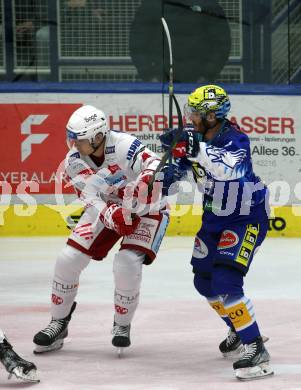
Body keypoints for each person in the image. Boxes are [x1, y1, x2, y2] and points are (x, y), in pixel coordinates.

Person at [33, 105, 170, 355]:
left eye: (79, 139)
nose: (74, 145)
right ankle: (58, 322)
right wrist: (112, 215)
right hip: (108, 208)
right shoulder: (73, 162)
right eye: (72, 138)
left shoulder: (124, 145)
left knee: (126, 262)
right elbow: (90, 197)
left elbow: (155, 163)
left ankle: (122, 325)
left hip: (148, 209)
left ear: (97, 136)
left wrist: (148, 179)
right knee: (68, 259)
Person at [160, 85, 274, 380]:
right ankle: (239, 328)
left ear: (213, 117)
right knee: (204, 281)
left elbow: (228, 170)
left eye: (197, 114)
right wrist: (166, 172)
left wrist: (193, 148)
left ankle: (255, 345)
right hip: (215, 217)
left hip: (246, 217)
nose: (191, 118)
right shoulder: (196, 136)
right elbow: (179, 174)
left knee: (226, 280)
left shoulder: (237, 139)